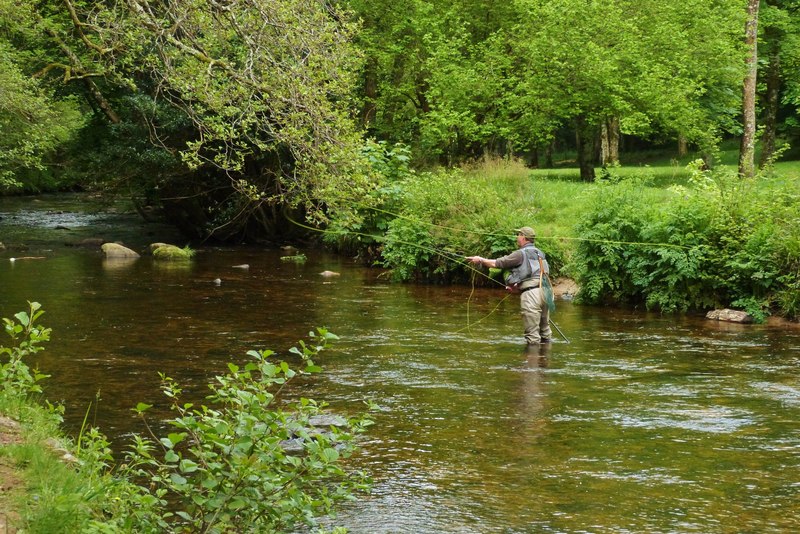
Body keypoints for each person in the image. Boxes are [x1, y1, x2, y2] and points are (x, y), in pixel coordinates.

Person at [466, 227, 553, 345]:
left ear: (523, 237)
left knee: (532, 337)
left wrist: (480, 260)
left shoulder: (520, 254)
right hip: (547, 293)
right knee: (545, 332)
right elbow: (533, 274)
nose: (517, 237)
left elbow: (497, 263)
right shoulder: (539, 253)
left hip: (532, 294)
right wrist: (518, 287)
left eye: (518, 234)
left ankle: (532, 362)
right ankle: (544, 361)